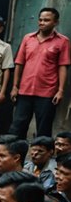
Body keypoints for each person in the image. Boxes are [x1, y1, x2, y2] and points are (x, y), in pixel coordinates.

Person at [10, 7, 70, 138]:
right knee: (17, 126)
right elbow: (19, 63)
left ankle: (42, 156)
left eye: (46, 20)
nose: (42, 22)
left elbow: (63, 66)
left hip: (47, 92)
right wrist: (15, 86)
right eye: (40, 20)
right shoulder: (28, 38)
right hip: (25, 90)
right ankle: (14, 155)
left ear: (56, 22)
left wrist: (60, 91)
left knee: (43, 128)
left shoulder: (62, 41)